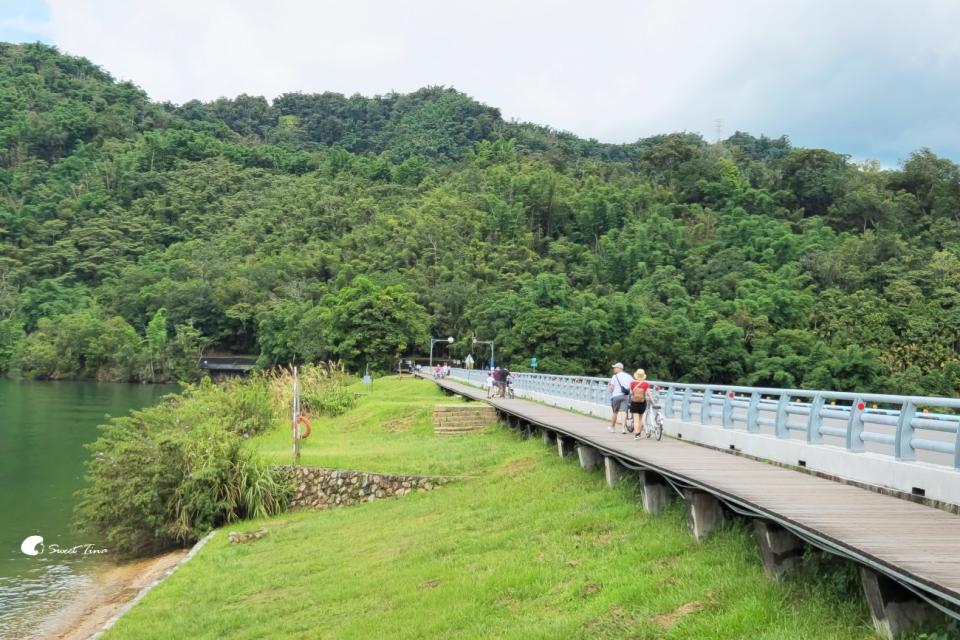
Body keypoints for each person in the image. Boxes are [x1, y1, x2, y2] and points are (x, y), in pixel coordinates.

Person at [607, 363, 634, 433]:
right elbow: (633, 385)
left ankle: (612, 428)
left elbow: (611, 389)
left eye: (615, 367)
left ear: (619, 368)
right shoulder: (628, 376)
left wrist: (609, 388)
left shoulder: (614, 377)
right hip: (625, 396)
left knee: (615, 412)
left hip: (616, 396)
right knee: (623, 412)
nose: (614, 369)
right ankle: (623, 429)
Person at [629, 368, 652, 439]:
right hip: (642, 402)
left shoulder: (632, 383)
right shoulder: (646, 384)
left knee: (635, 419)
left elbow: (631, 393)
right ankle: (639, 432)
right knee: (640, 418)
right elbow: (649, 394)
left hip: (634, 402)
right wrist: (652, 400)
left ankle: (636, 435)